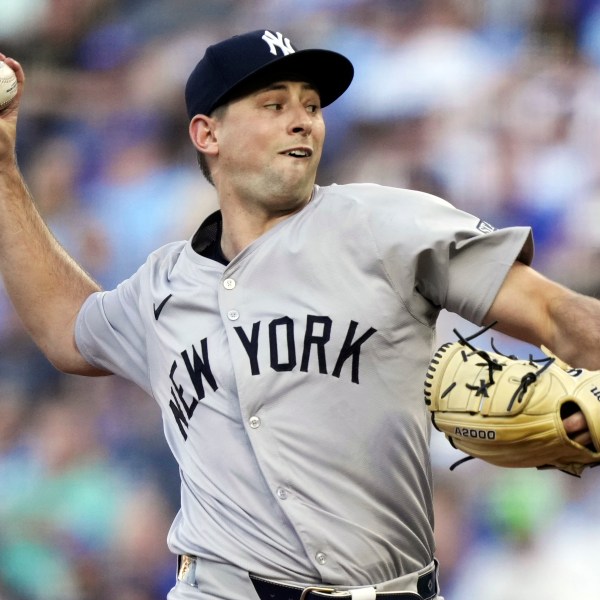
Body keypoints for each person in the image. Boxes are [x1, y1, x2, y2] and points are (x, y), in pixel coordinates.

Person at [0, 29, 596, 600]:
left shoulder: (386, 224)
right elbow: (64, 329)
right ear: (207, 134)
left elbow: (555, 314)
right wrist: (4, 172)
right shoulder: (161, 287)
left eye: (312, 105)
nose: (302, 119)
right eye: (273, 103)